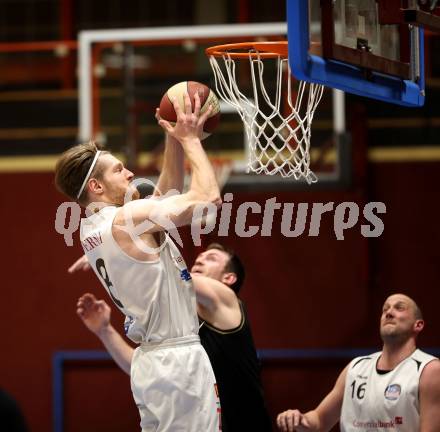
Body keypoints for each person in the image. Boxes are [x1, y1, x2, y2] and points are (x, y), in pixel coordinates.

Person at [55, 93, 222, 431]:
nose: (130, 173)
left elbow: (166, 199)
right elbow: (208, 199)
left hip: (152, 362)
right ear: (97, 185)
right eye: (119, 169)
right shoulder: (126, 219)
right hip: (177, 362)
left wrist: (172, 139)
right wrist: (190, 140)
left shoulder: (93, 227)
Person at [72, 243, 272, 431]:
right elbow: (141, 365)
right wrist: (104, 331)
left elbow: (173, 274)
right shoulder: (182, 321)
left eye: (211, 258)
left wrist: (112, 252)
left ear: (229, 278)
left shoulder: (227, 299)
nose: (200, 260)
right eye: (199, 257)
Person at [276, 293, 440, 432]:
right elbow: (319, 420)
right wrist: (299, 418)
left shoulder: (429, 370)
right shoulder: (355, 368)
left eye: (399, 307)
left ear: (417, 325)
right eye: (385, 309)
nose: (389, 313)